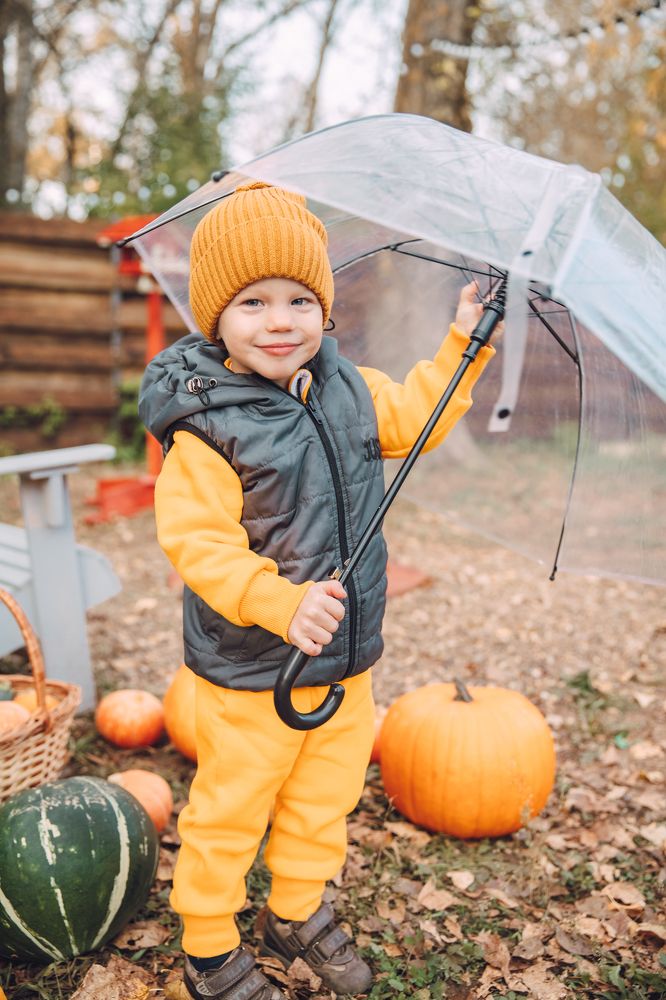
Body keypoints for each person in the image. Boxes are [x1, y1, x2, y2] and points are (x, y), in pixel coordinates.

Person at [139, 182, 496, 1000]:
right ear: (215, 316)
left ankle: (295, 908)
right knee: (234, 806)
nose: (280, 320)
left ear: (325, 310)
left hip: (345, 655)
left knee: (323, 795)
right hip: (252, 664)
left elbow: (421, 413)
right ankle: (206, 943)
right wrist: (277, 601)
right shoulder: (207, 425)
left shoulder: (348, 388)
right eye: (254, 301)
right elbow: (198, 545)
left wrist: (464, 348)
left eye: (300, 299)